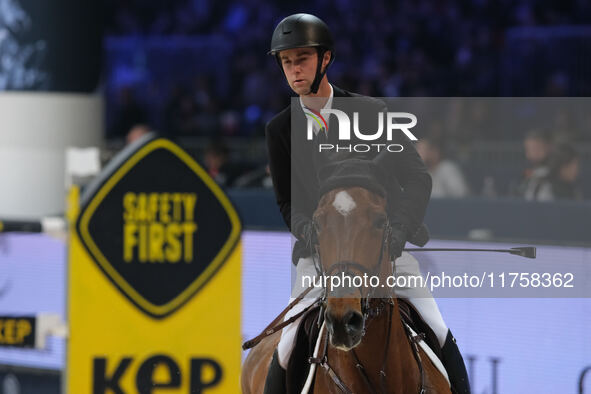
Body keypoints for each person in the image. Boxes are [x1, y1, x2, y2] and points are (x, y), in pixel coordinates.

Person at [264, 13, 470, 393]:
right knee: (287, 343)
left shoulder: (371, 113)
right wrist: (307, 230)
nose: (294, 70)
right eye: (287, 62)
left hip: (382, 250)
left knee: (437, 327)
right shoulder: (279, 129)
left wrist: (399, 232)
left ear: (325, 60)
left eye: (302, 59)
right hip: (322, 255)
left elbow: (417, 178)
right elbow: (286, 201)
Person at [518, 130, 552, 200]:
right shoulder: (528, 174)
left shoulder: (555, 173)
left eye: (534, 149)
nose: (528, 155)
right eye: (528, 150)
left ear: (547, 148)